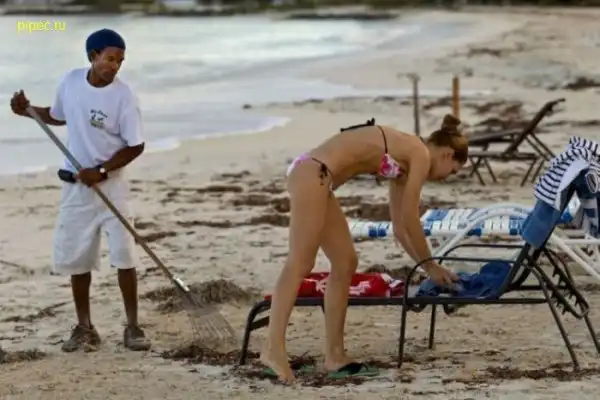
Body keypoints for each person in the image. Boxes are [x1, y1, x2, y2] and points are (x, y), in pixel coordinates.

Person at [260, 115, 467, 382]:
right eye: (453, 171)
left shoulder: (403, 162)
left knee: (345, 262)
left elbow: (400, 228)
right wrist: (430, 265)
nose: (447, 177)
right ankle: (273, 349)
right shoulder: (420, 153)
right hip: (313, 173)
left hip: (319, 179)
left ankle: (335, 356)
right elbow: (411, 218)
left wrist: (428, 268)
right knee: (300, 262)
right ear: (448, 155)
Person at [9, 28, 150, 352]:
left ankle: (132, 327)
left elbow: (136, 145)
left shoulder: (124, 96)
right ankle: (85, 327)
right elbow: (57, 116)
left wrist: (101, 171)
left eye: (120, 60)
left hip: (112, 187)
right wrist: (28, 111)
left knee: (124, 256)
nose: (115, 66)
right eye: (110, 58)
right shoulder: (71, 81)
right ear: (93, 56)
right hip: (76, 188)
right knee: (78, 260)